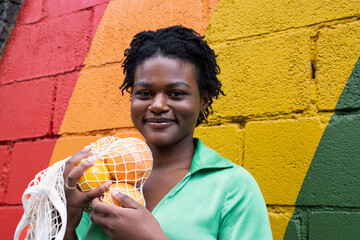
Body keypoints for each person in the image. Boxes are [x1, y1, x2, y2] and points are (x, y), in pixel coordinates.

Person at [63, 25, 272, 240]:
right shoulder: (101, 175)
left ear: (204, 100)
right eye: (144, 93)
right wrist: (67, 221)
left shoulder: (231, 186)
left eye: (176, 93)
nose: (158, 105)